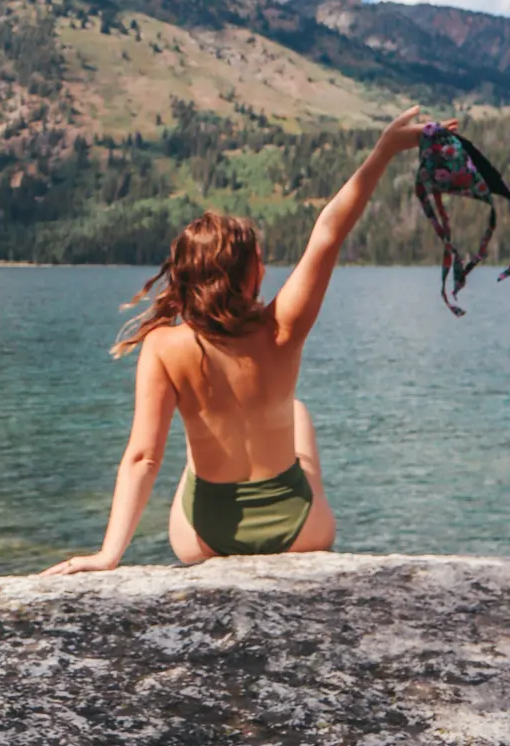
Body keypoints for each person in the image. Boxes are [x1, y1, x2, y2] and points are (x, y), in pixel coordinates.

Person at [44, 106, 446, 572]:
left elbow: (142, 457)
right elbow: (329, 232)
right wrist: (384, 150)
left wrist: (108, 555)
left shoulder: (162, 347)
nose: (267, 268)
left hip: (204, 536)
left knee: (192, 456)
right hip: (301, 530)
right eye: (260, 260)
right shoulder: (282, 327)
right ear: (247, 274)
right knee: (296, 414)